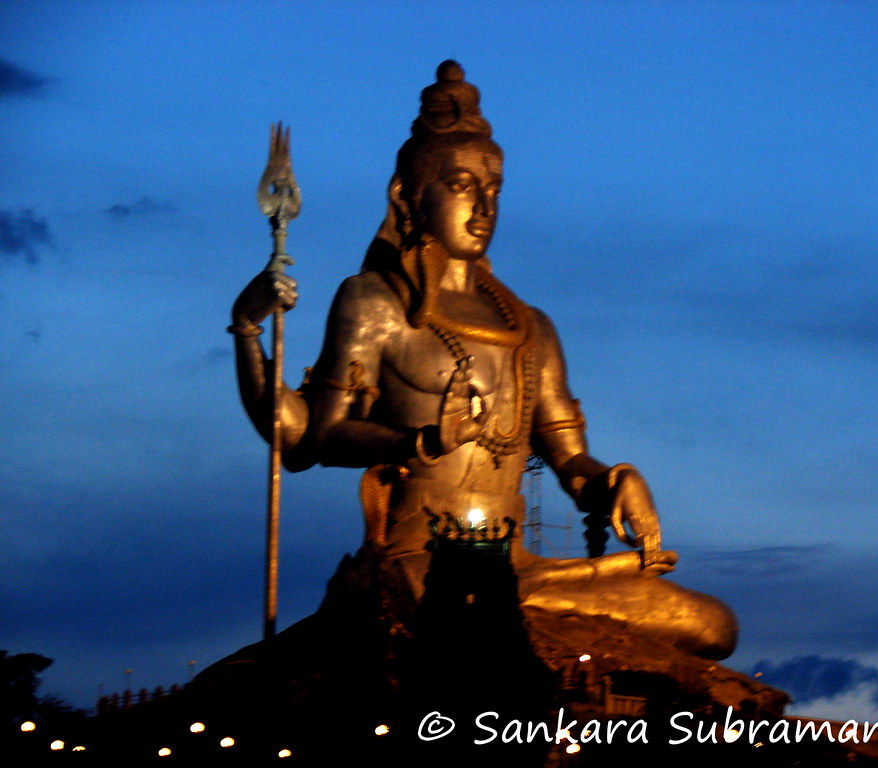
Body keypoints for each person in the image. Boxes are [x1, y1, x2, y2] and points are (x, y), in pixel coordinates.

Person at [229, 61, 737, 659]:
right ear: (408, 196)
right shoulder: (374, 302)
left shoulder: (530, 327)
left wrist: (613, 482)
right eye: (462, 185)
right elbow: (316, 436)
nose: (484, 207)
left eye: (494, 189)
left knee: (713, 624)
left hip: (518, 563)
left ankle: (526, 603)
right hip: (421, 560)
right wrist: (248, 329)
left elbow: (568, 460)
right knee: (438, 600)